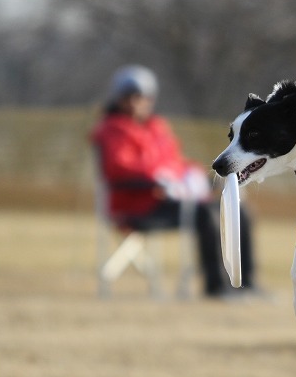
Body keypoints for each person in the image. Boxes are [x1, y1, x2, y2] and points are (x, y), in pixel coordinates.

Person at [91, 65, 257, 298]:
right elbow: (118, 167)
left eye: (144, 96)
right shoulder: (111, 129)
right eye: (132, 96)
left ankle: (246, 283)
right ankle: (217, 287)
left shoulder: (157, 128)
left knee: (238, 209)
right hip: (137, 204)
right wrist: (157, 177)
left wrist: (199, 176)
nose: (138, 102)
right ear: (120, 98)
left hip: (171, 198)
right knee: (206, 214)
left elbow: (176, 163)